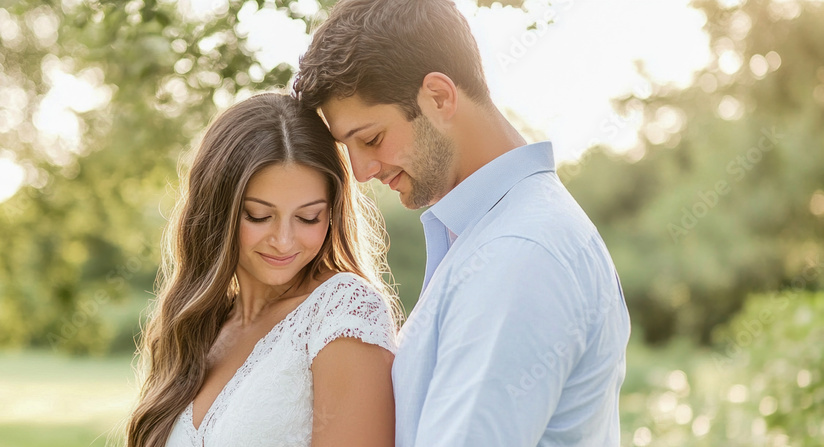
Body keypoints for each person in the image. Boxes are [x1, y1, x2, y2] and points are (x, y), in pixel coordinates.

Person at [293, 0, 631, 445]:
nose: (361, 172)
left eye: (372, 138)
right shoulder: (491, 233)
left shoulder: (518, 252)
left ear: (439, 97)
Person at [126, 92, 400, 447]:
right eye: (259, 216)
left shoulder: (342, 310)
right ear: (217, 212)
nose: (284, 241)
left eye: (308, 217)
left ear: (331, 213)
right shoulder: (199, 326)